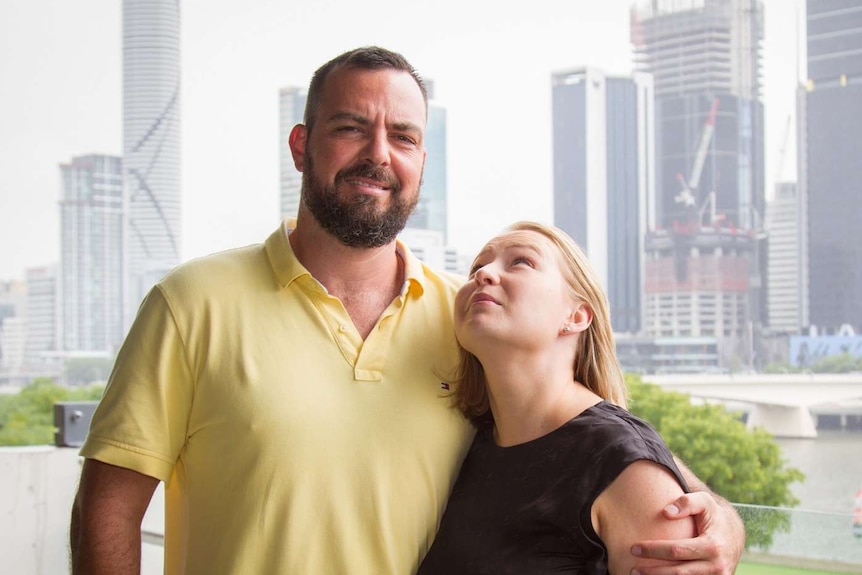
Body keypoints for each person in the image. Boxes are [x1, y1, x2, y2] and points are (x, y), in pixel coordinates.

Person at [70, 46, 743, 574]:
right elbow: (108, 508)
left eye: (404, 136)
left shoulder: (470, 319)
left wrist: (720, 517)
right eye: (351, 127)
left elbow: (604, 437)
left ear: (423, 158)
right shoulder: (191, 304)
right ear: (302, 146)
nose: (379, 154)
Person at [419, 221, 705, 574]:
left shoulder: (628, 467)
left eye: (521, 262)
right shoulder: (468, 440)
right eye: (477, 267)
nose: (484, 274)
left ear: (576, 315)